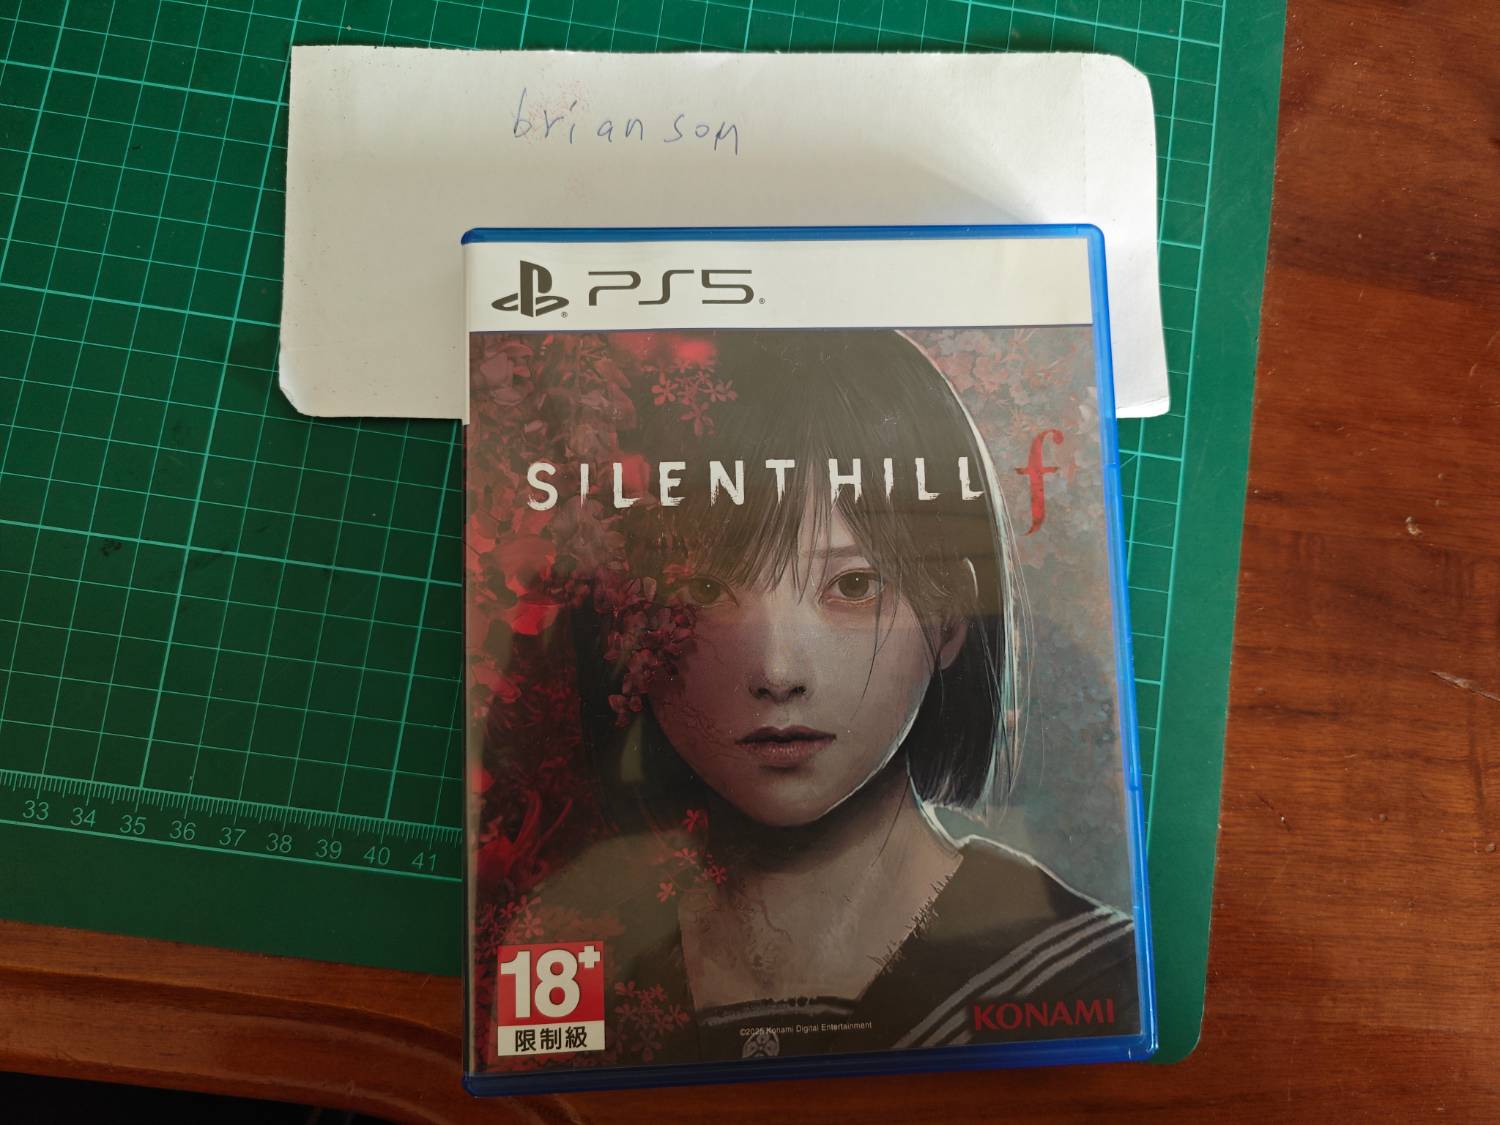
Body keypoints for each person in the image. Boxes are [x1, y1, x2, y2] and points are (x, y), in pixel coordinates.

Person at [482, 330, 1138, 1066]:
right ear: (625, 623)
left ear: (950, 617)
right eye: (706, 590)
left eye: (853, 585)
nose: (778, 671)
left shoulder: (1089, 979)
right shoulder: (574, 953)